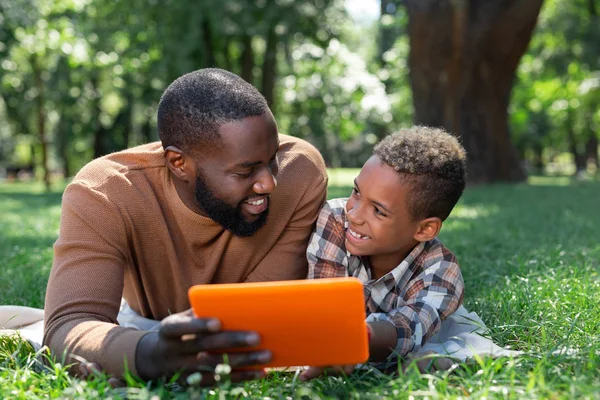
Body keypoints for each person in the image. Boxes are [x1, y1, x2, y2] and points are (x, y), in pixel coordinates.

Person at [42, 68, 328, 384]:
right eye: (245, 172)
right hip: (145, 328)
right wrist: (147, 353)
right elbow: (67, 326)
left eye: (271, 159)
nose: (269, 183)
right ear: (179, 164)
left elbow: (259, 320)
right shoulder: (103, 192)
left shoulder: (300, 173)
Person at [301, 126, 466, 380]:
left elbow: (410, 327)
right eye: (356, 192)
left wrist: (360, 339)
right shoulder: (336, 219)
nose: (353, 214)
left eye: (378, 211)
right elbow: (324, 305)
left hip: (379, 345)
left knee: (439, 356)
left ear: (425, 229)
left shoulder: (442, 270)